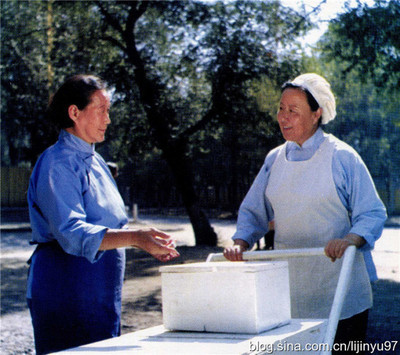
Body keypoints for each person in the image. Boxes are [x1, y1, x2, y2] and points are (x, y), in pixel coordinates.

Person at [223, 73, 387, 353]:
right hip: (290, 294)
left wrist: (349, 239)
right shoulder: (274, 159)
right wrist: (240, 242)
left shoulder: (342, 156)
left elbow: (371, 213)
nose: (283, 117)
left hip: (341, 294)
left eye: (293, 111)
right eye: (281, 109)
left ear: (316, 115)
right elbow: (253, 211)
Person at [27, 74, 180, 354]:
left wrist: (144, 240)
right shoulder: (57, 163)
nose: (108, 119)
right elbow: (72, 233)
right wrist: (134, 237)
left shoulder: (96, 161)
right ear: (74, 112)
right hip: (67, 287)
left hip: (100, 289)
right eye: (102, 110)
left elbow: (110, 222)